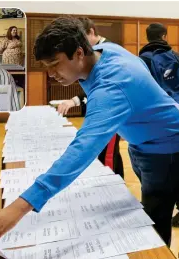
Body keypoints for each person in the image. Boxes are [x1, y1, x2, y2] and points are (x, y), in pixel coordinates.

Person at [0, 17, 179, 252]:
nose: (51, 74)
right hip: (142, 141)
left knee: (156, 218)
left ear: (79, 53)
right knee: (151, 201)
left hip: (164, 147)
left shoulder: (112, 86)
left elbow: (83, 149)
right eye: (47, 67)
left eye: (55, 64)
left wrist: (19, 207)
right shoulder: (104, 50)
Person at [55, 17, 124, 179]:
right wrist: (75, 100)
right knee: (107, 153)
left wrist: (74, 101)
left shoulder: (108, 51)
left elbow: (105, 88)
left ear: (91, 32)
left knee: (107, 155)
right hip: (103, 109)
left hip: (111, 110)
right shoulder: (95, 51)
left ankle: (111, 186)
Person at [139, 22, 179, 228]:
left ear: (147, 37)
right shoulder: (176, 57)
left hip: (155, 125)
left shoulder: (142, 60)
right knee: (172, 171)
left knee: (161, 177)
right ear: (165, 36)